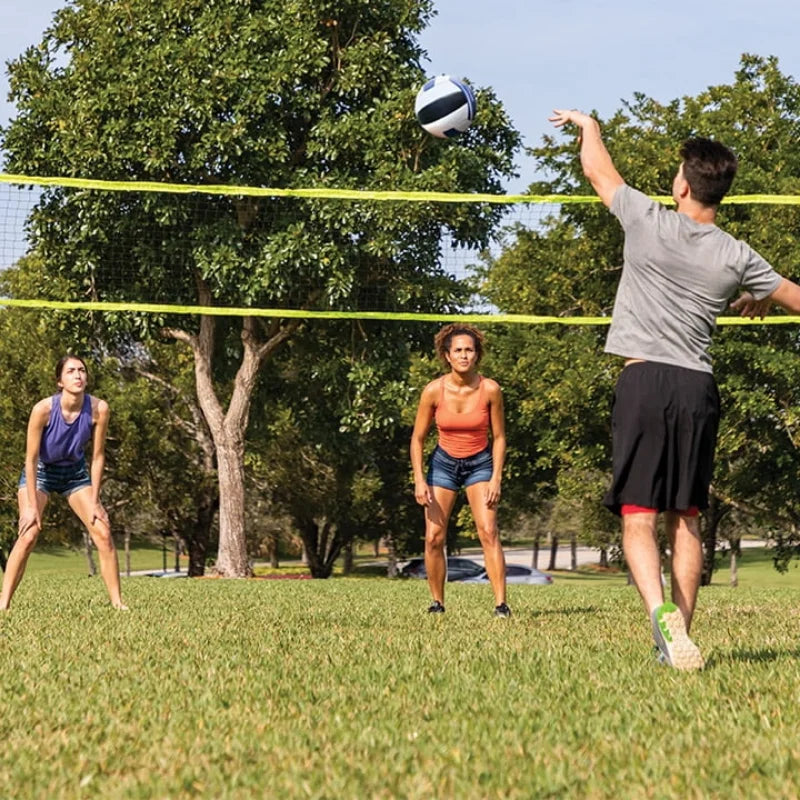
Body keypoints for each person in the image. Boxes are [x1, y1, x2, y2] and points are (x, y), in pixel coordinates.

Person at [548, 109, 800, 669]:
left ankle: (663, 619)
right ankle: (679, 631)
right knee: (685, 515)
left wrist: (589, 125)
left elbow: (598, 172)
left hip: (644, 379)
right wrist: (756, 292)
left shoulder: (648, 220)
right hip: (697, 387)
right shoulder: (738, 256)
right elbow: (795, 296)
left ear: (682, 184)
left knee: (638, 514)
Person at [0, 355, 127, 610]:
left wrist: (95, 501)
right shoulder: (43, 410)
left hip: (75, 474)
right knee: (29, 533)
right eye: (70, 371)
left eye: (82, 370)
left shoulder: (99, 409)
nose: (78, 375)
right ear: (59, 381)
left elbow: (98, 456)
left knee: (102, 530)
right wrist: (31, 507)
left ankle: (118, 603)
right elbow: (30, 457)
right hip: (41, 471)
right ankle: (3, 605)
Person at [410, 324, 510, 617]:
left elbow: (500, 437)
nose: (464, 355)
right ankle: (437, 603)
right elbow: (417, 439)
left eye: (470, 350)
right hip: (443, 464)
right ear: (447, 355)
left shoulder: (490, 390)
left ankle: (501, 605)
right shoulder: (433, 391)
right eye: (458, 350)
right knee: (433, 538)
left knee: (488, 531)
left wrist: (496, 478)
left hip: (479, 463)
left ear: (477, 355)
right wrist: (419, 479)